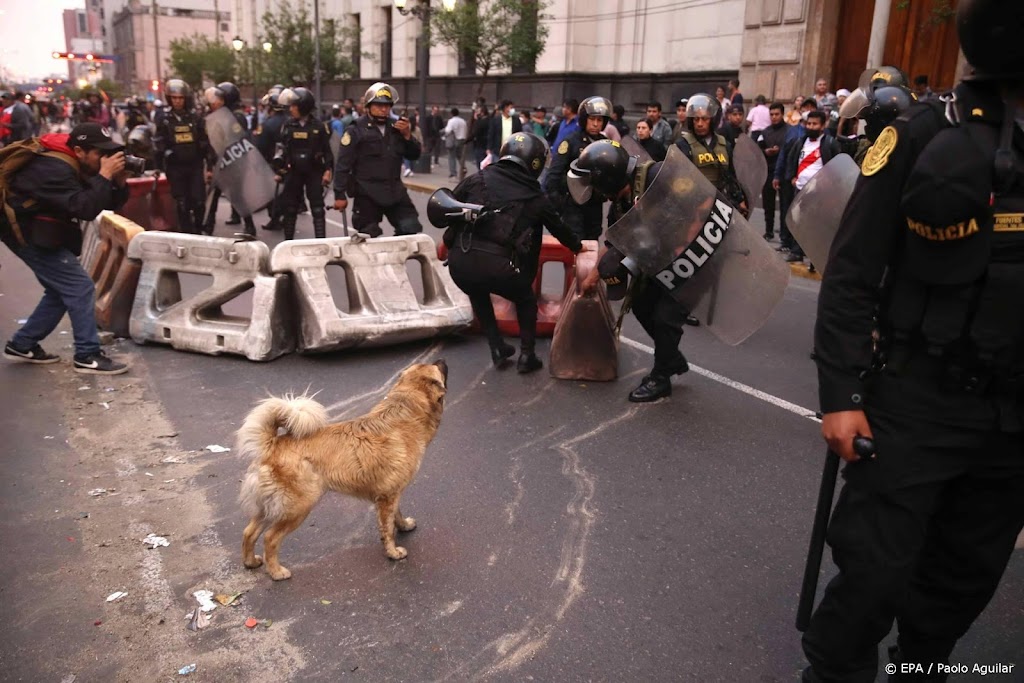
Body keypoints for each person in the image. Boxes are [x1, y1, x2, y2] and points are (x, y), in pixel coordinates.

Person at [802, 2, 1024, 680]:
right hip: (916, 397)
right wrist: (839, 393)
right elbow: (851, 275)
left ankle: (920, 665)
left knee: (964, 576)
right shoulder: (922, 135)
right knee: (874, 570)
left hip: (1011, 416)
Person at [446, 132, 585, 373]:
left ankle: (497, 347)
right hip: (501, 269)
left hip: (460, 264)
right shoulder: (535, 196)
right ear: (535, 162)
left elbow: (449, 206)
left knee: (477, 290)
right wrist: (580, 247)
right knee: (525, 299)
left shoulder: (477, 178)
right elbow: (561, 230)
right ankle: (527, 355)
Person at [2, 123, 130, 375]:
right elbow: (83, 207)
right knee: (79, 287)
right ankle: (87, 355)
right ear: (80, 151)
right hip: (22, 229)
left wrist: (119, 182)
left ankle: (22, 344)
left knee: (60, 289)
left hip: (39, 226)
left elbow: (103, 203)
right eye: (99, 154)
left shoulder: (79, 165)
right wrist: (104, 176)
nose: (104, 159)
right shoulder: (54, 169)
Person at [570, 140, 690, 402]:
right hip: (660, 263)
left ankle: (661, 378)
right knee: (641, 305)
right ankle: (672, 359)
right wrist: (593, 277)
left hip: (689, 257)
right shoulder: (619, 205)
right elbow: (615, 242)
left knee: (665, 317)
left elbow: (698, 202)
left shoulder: (657, 176)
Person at [332, 82, 422, 237]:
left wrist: (407, 136)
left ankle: (394, 261)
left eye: (387, 106)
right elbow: (342, 165)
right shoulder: (355, 130)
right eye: (379, 105)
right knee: (368, 237)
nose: (384, 109)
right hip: (367, 193)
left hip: (395, 191)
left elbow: (414, 155)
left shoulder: (397, 128)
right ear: (368, 106)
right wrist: (339, 195)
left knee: (411, 229)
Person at [774, 110, 842, 265]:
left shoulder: (829, 143)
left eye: (815, 124)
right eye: (809, 123)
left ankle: (816, 256)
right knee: (799, 222)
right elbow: (792, 159)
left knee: (818, 224)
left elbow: (836, 163)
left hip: (821, 191)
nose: (811, 127)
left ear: (822, 125)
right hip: (801, 189)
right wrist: (791, 177)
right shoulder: (800, 142)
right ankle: (796, 252)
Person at [546, 96, 612, 241]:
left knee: (592, 242)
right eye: (592, 119)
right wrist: (560, 203)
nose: (595, 124)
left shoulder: (606, 145)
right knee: (575, 244)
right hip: (572, 205)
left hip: (595, 205)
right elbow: (553, 175)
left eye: (599, 120)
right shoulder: (570, 141)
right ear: (584, 119)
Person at [673, 93, 748, 218]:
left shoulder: (724, 145)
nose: (700, 124)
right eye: (696, 119)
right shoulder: (683, 145)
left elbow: (731, 176)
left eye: (705, 119)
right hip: (693, 206)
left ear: (713, 120)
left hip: (720, 205)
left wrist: (740, 200)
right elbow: (677, 180)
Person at [277, 87, 333, 240]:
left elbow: (327, 151)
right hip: (293, 172)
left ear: (304, 106)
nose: (291, 109)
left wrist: (328, 170)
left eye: (294, 105)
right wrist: (279, 171)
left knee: (317, 208)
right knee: (290, 208)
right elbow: (281, 149)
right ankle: (288, 243)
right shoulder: (288, 126)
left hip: (314, 172)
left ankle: (321, 242)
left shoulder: (319, 127)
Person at [153, 79, 208, 234]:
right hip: (175, 167)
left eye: (180, 98)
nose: (177, 101)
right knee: (181, 202)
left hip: (194, 165)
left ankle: (199, 228)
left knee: (198, 201)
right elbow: (158, 142)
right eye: (174, 98)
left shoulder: (195, 117)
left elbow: (204, 141)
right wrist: (158, 165)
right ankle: (186, 232)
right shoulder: (164, 119)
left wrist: (209, 164)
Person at [203, 82, 257, 236]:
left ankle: (249, 226)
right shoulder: (217, 116)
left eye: (220, 98)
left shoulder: (237, 117)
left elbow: (237, 141)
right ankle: (208, 225)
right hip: (220, 161)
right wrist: (210, 164)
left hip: (233, 162)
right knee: (214, 196)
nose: (216, 101)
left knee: (237, 195)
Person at [775, 96, 821, 252]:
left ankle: (802, 246)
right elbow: (784, 154)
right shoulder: (792, 131)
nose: (807, 111)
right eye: (805, 108)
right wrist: (779, 175)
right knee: (788, 211)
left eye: (811, 108)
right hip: (791, 179)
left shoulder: (824, 137)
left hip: (813, 184)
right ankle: (786, 241)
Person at [753, 101, 788, 241]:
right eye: (772, 114)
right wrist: (766, 151)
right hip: (768, 170)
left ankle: (785, 235)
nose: (774, 117)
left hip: (784, 172)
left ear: (782, 114)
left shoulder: (789, 131)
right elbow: (758, 149)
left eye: (777, 114)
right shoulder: (765, 132)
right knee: (768, 203)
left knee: (785, 204)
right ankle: (769, 231)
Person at [487, 100, 523, 164]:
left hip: (512, 151)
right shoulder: (496, 120)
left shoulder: (516, 120)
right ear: (505, 108)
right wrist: (489, 148)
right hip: (498, 150)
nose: (513, 110)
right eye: (511, 108)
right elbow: (491, 134)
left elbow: (520, 134)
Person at [442, 107, 468, 181]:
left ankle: (453, 173)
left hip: (454, 140)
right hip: (462, 140)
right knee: (460, 156)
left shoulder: (451, 121)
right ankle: (463, 168)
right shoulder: (463, 121)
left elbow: (448, 130)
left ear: (451, 113)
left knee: (451, 157)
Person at [471, 105, 492, 169]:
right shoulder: (491, 120)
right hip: (488, 146)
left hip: (480, 146)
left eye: (478, 112)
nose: (477, 113)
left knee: (480, 164)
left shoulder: (480, 122)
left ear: (482, 113)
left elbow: (474, 133)